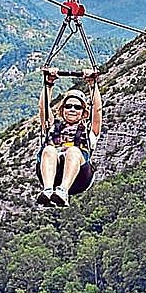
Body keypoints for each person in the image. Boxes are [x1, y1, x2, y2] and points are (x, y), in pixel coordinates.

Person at [37, 68, 102, 207]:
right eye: (68, 106)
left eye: (77, 107)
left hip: (79, 177)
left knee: (73, 151)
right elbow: (43, 109)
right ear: (62, 109)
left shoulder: (88, 131)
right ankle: (48, 190)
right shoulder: (53, 127)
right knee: (48, 149)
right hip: (54, 171)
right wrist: (48, 83)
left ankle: (63, 192)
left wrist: (92, 84)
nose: (72, 109)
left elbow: (97, 110)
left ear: (83, 112)